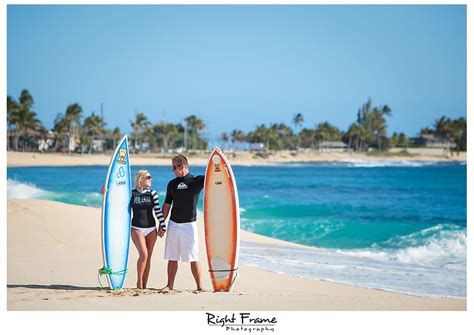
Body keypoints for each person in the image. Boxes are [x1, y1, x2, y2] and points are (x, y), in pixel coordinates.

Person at [102, 170, 166, 289]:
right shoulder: (131, 193)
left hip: (151, 229)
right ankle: (139, 283)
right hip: (136, 228)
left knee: (148, 257)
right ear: (141, 179)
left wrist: (163, 225)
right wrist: (106, 191)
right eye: (148, 177)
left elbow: (157, 210)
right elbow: (117, 199)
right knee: (143, 254)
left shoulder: (153, 193)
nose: (151, 179)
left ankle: (144, 286)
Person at [158, 155, 205, 292]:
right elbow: (167, 204)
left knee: (193, 256)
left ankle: (200, 286)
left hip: (189, 225)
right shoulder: (172, 184)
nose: (173, 170)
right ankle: (169, 285)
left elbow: (215, 179)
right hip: (174, 224)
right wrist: (162, 223)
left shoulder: (197, 181)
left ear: (182, 166)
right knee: (172, 256)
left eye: (174, 167)